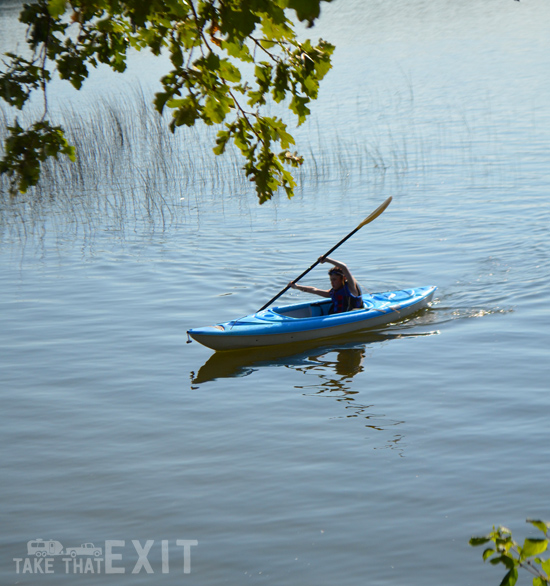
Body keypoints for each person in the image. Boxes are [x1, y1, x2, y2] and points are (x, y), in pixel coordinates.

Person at [289, 257, 363, 314]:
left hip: (351, 316)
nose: (332, 282)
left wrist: (327, 260)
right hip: (336, 317)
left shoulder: (351, 288)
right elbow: (314, 290)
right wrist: (297, 287)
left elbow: (344, 267)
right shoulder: (332, 292)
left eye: (334, 279)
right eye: (331, 280)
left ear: (343, 278)